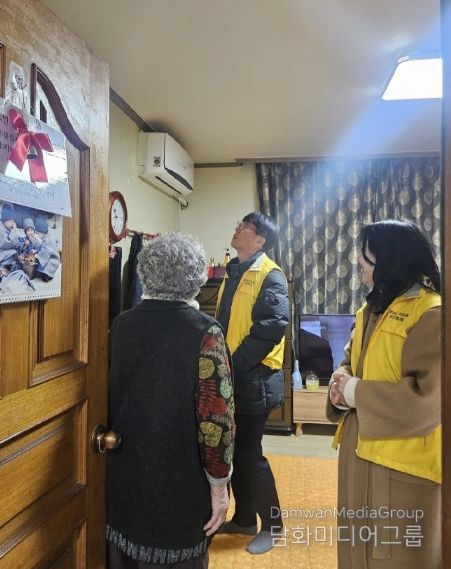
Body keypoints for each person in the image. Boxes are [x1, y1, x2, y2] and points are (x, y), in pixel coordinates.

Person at [106, 232, 235, 569]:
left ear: (144, 272)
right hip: (180, 483)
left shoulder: (122, 324)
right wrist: (219, 486)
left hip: (125, 475)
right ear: (198, 278)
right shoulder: (205, 332)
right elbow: (216, 420)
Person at [327, 220, 441, 569]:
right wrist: (340, 381)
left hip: (402, 469)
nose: (359, 266)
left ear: (391, 259)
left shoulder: (431, 313)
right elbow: (351, 361)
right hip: (360, 456)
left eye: (365, 258)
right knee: (356, 549)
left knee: (396, 555)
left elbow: (428, 401)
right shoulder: (371, 309)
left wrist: (355, 391)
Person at [215, 212, 289, 554]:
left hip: (254, 378)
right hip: (232, 376)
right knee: (234, 452)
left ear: (260, 240)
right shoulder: (234, 270)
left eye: (245, 227)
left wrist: (233, 364)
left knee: (249, 453)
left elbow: (270, 330)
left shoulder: (270, 275)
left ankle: (273, 525)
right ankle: (244, 518)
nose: (238, 228)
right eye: (239, 223)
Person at [34, 216, 60, 282]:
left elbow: (46, 251)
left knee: (47, 267)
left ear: (42, 231)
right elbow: (42, 247)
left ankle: (48, 276)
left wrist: (38, 255)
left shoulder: (48, 240)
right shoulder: (46, 238)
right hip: (49, 257)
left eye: (38, 233)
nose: (38, 235)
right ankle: (44, 274)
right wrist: (36, 251)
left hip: (53, 260)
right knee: (41, 266)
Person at [0, 203, 20, 270]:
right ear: (5, 220)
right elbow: (6, 243)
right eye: (11, 221)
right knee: (13, 254)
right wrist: (13, 232)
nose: (13, 223)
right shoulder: (1, 228)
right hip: (1, 254)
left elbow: (16, 243)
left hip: (4, 254)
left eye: (13, 221)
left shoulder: (6, 228)